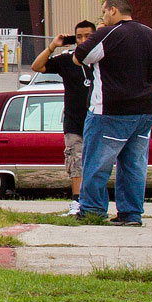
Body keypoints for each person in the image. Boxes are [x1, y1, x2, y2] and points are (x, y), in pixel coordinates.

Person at [70, 0, 152, 227]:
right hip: (145, 111)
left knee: (97, 162)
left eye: (104, 12)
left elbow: (78, 58)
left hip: (110, 111)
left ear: (113, 10)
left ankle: (92, 209)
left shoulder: (107, 34)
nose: (103, 17)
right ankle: (130, 214)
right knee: (133, 164)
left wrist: (98, 33)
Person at [31, 19, 98, 204]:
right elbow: (37, 66)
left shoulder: (100, 60)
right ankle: (77, 203)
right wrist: (53, 46)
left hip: (98, 121)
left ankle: (93, 203)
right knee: (76, 163)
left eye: (88, 37)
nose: (83, 40)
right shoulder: (67, 60)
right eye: (79, 37)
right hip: (74, 123)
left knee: (95, 164)